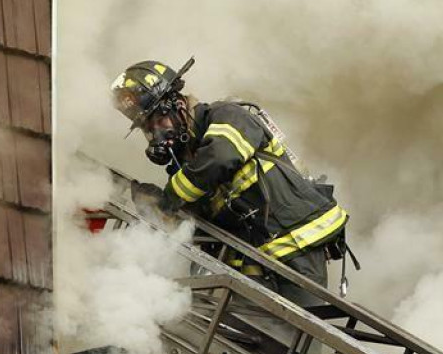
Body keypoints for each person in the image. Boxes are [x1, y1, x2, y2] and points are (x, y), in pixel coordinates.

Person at [110, 58, 348, 307]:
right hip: (259, 264)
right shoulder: (189, 165)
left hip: (297, 246)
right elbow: (196, 223)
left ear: (178, 104)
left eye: (159, 121)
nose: (156, 134)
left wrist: (169, 199)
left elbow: (220, 157)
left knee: (302, 337)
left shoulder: (226, 116)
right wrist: (155, 206)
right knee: (271, 341)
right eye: (148, 129)